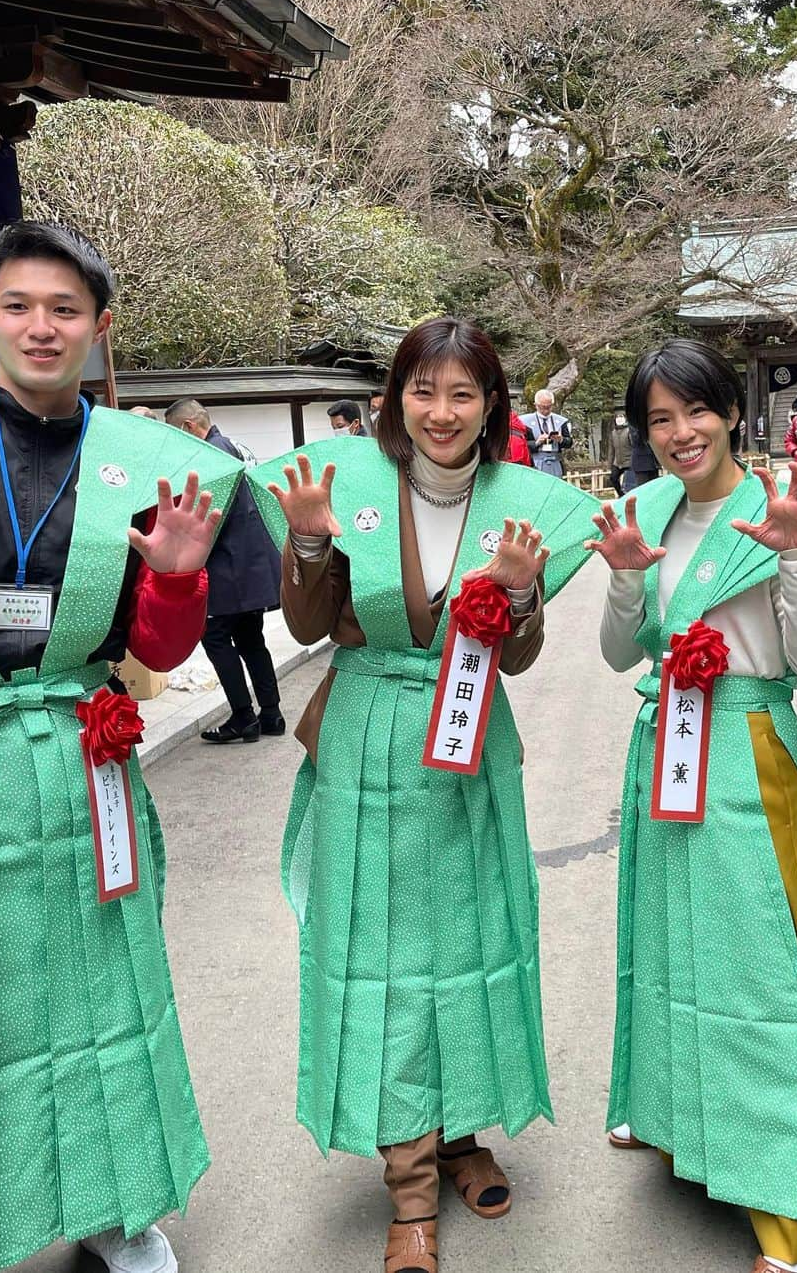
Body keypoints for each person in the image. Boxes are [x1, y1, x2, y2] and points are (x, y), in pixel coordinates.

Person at [257, 317, 594, 1273]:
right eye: (422, 390)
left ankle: (452, 1134)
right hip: (369, 743)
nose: (440, 412)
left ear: (491, 408)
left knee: (469, 942)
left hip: (472, 743)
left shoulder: (519, 504)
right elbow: (312, 622)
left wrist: (523, 596)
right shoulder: (353, 487)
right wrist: (312, 544)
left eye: (462, 394)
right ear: (395, 400)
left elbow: (514, 660)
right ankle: (408, 1181)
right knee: (389, 955)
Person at [0, 221, 241, 1273]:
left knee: (102, 981)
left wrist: (175, 574)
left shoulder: (140, 462)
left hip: (89, 748)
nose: (43, 326)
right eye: (21, 305)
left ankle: (117, 1203)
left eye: (66, 309)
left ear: (99, 327)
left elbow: (154, 648)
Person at [589, 339, 797, 1273]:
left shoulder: (786, 507)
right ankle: (677, 1123)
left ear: (731, 415)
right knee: (666, 950)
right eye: (657, 420)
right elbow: (621, 655)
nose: (678, 434)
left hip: (750, 754)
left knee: (757, 979)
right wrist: (626, 577)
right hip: (662, 752)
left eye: (695, 412)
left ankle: (788, 1217)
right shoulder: (648, 512)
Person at [166, 397, 285, 743]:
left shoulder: (211, 455)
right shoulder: (233, 446)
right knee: (251, 639)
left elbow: (210, 520)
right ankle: (271, 713)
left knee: (215, 637)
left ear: (188, 426)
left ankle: (243, 717)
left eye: (177, 433)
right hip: (251, 562)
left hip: (229, 566)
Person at [522, 388, 572, 475]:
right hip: (534, 462)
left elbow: (569, 442)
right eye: (542, 407)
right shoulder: (525, 422)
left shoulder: (561, 421)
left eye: (549, 407)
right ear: (536, 405)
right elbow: (521, 444)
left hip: (556, 462)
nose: (546, 410)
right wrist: (537, 442)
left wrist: (561, 440)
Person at [608, 408, 633, 496]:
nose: (619, 419)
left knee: (630, 482)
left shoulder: (629, 431)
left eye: (621, 417)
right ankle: (621, 495)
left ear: (625, 419)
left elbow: (633, 447)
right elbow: (611, 450)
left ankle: (630, 495)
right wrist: (610, 464)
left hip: (629, 462)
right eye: (617, 417)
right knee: (613, 478)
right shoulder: (613, 433)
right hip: (617, 462)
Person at [629, 420, 659, 485]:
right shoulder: (633, 424)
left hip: (653, 462)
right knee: (643, 490)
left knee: (655, 489)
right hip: (641, 464)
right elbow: (635, 440)